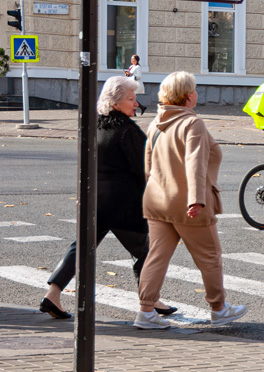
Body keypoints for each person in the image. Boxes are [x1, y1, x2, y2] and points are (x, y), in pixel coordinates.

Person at [39, 76, 174, 320]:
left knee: (80, 248)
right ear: (115, 103)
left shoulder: (95, 127)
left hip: (94, 203)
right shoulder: (127, 131)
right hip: (124, 205)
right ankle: (150, 301)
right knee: (144, 252)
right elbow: (144, 168)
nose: (136, 104)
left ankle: (53, 293)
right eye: (131, 99)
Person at [138, 72, 247, 329]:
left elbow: (148, 166)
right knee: (209, 256)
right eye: (195, 90)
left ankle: (145, 312)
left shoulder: (156, 123)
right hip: (187, 203)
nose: (197, 93)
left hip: (157, 200)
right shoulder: (192, 123)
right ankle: (219, 309)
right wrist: (197, 199)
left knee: (156, 256)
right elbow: (195, 163)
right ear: (188, 96)